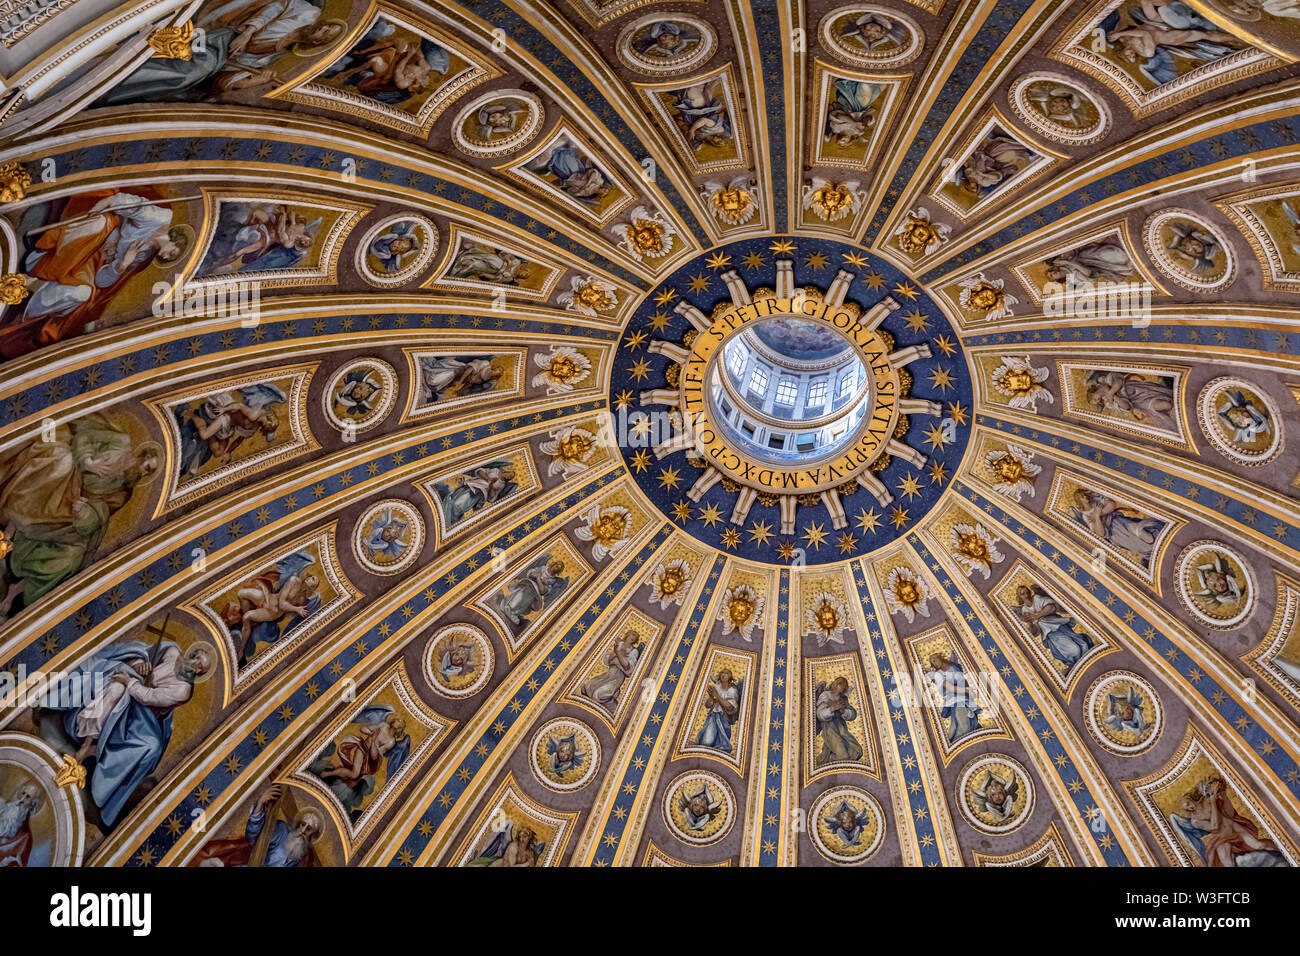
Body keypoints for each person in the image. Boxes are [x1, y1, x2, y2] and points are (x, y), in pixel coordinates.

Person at [0, 413, 161, 619]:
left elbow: (101, 513)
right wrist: (88, 462)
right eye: (145, 463)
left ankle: (18, 594)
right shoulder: (121, 442)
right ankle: (12, 516)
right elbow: (84, 439)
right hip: (73, 465)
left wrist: (85, 512)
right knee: (62, 462)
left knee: (71, 558)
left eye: (147, 471)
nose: (142, 470)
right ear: (141, 455)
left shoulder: (123, 491)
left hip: (71, 504)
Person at [38, 639, 213, 827]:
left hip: (144, 716)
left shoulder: (183, 690)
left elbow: (148, 697)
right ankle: (86, 744)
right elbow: (143, 651)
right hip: (131, 689)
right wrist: (139, 665)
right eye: (195, 657)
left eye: (199, 666)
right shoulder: (172, 652)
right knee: (114, 687)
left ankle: (103, 780)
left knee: (150, 746)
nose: (194, 663)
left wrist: (129, 681)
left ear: (199, 673)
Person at [196, 786, 321, 866]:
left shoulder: (303, 854)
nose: (303, 830)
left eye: (308, 829)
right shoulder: (282, 831)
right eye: (302, 824)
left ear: (313, 834)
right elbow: (253, 836)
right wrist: (260, 805)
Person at [1014, 584, 1093, 668]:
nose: (1026, 595)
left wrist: (1037, 616)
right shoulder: (1024, 610)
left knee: (1081, 644)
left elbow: (1051, 607)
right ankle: (1075, 664)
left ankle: (1084, 659)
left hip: (1057, 624)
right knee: (1074, 651)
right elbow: (1034, 632)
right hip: (1049, 634)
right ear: (1020, 597)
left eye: (1027, 592)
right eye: (1023, 594)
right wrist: (1030, 623)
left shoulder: (1036, 598)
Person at [925, 651, 980, 743]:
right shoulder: (939, 674)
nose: (935, 663)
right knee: (964, 726)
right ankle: (955, 745)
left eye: (935, 660)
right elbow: (950, 688)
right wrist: (967, 690)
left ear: (940, 657)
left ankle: (951, 742)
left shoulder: (954, 666)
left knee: (965, 724)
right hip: (955, 699)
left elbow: (963, 680)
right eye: (933, 662)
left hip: (965, 697)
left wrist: (969, 691)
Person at [814, 677, 864, 763]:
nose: (841, 688)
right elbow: (820, 714)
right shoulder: (825, 695)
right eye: (840, 685)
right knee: (843, 755)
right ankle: (825, 763)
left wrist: (844, 711)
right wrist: (832, 709)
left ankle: (825, 759)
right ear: (836, 684)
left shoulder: (843, 698)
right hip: (830, 729)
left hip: (841, 728)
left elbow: (853, 714)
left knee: (857, 751)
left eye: (844, 687)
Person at [695, 668, 740, 752]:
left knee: (720, 744)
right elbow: (707, 705)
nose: (723, 674)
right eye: (722, 672)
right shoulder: (716, 687)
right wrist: (712, 698)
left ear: (730, 677)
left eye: (726, 673)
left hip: (724, 720)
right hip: (713, 717)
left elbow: (729, 707)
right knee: (706, 742)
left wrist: (717, 696)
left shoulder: (732, 691)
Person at [0, 783, 40, 866]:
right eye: (23, 793)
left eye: (28, 797)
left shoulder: (25, 837)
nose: (22, 799)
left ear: (33, 803)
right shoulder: (6, 808)